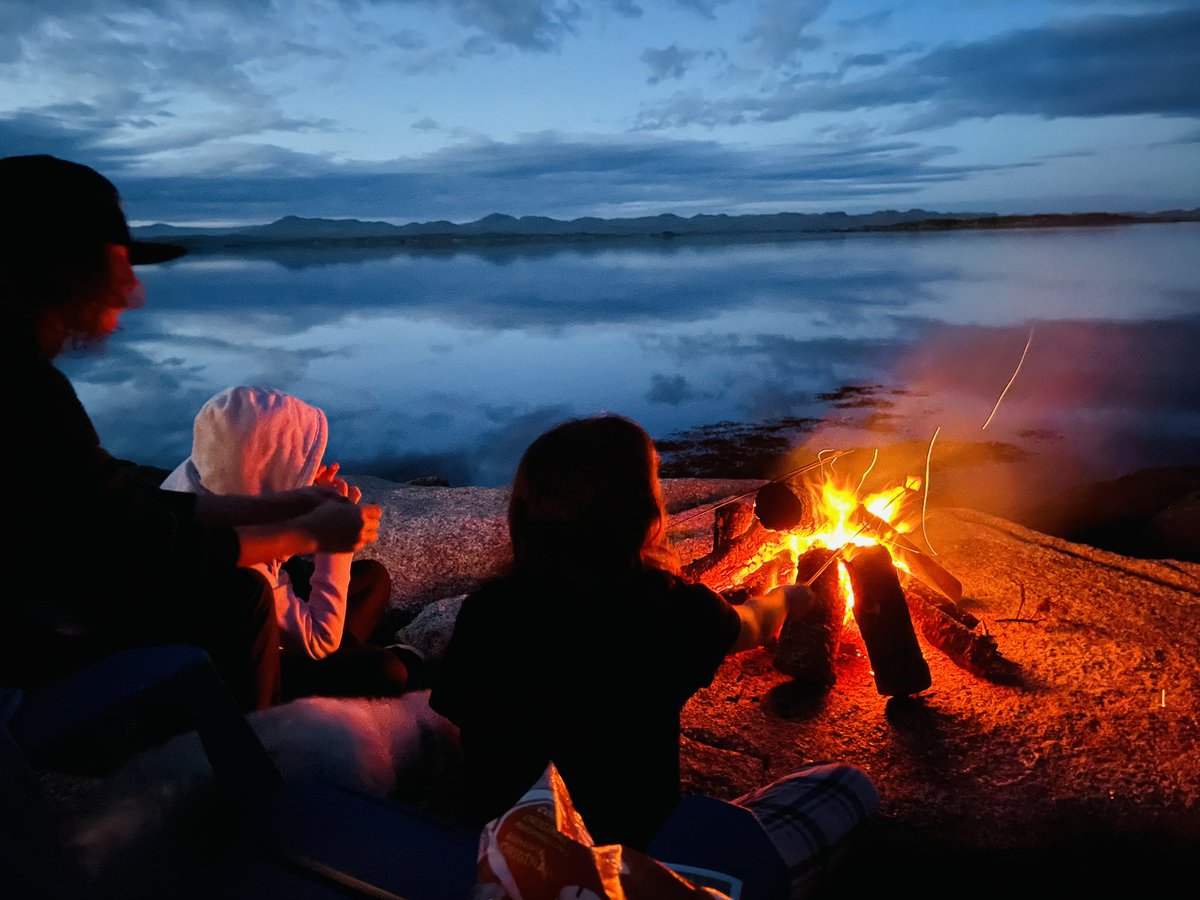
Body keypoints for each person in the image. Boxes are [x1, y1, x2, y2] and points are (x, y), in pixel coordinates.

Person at [429, 414, 879, 899]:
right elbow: (754, 625)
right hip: (627, 868)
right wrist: (789, 599)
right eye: (654, 477)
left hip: (505, 853)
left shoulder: (488, 609)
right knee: (849, 786)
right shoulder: (664, 608)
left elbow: (462, 722)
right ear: (640, 510)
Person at [2, 153, 381, 713]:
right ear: (58, 269)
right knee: (243, 595)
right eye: (119, 266)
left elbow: (127, 506)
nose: (134, 291)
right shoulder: (23, 392)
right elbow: (141, 549)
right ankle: (256, 753)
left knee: (345, 588)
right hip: (36, 652)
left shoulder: (25, 382)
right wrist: (310, 536)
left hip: (48, 614)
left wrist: (293, 503)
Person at [162, 385, 426, 699]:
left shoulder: (196, 482)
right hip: (247, 664)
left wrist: (302, 500)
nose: (311, 468)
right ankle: (356, 667)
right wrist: (334, 547)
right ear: (266, 471)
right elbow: (320, 639)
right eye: (295, 463)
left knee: (372, 579)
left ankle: (354, 655)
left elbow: (261, 528)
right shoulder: (247, 574)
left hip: (244, 623)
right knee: (388, 670)